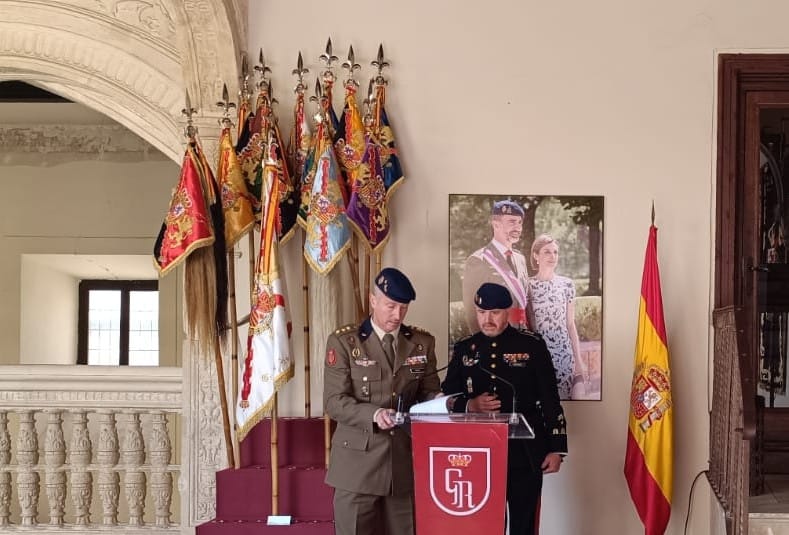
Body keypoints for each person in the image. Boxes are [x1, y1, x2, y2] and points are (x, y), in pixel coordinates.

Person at [442, 282, 567, 535]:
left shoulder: (531, 345)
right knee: (484, 525)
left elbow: (550, 397)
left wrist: (557, 448)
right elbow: (448, 396)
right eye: (481, 312)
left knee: (524, 525)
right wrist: (470, 405)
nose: (487, 319)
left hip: (525, 452)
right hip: (478, 453)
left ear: (507, 312)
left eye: (495, 313)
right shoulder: (466, 347)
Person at [324, 267, 441, 535]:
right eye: (390, 306)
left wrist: (438, 399)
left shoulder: (421, 343)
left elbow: (427, 391)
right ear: (373, 300)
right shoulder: (345, 342)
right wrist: (374, 414)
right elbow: (334, 401)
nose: (397, 314)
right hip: (358, 468)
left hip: (403, 465)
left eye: (403, 307)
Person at [527, 234, 589, 399]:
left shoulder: (567, 284)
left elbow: (570, 324)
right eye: (547, 252)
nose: (552, 256)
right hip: (539, 355)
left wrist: (578, 360)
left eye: (555, 252)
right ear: (536, 255)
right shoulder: (528, 286)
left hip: (564, 356)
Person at [462, 199, 530, 334]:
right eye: (512, 222)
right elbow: (472, 311)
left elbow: (524, 304)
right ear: (496, 224)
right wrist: (483, 345)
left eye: (519, 222)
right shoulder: (478, 260)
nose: (517, 227)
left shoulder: (520, 259)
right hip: (496, 338)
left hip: (522, 338)